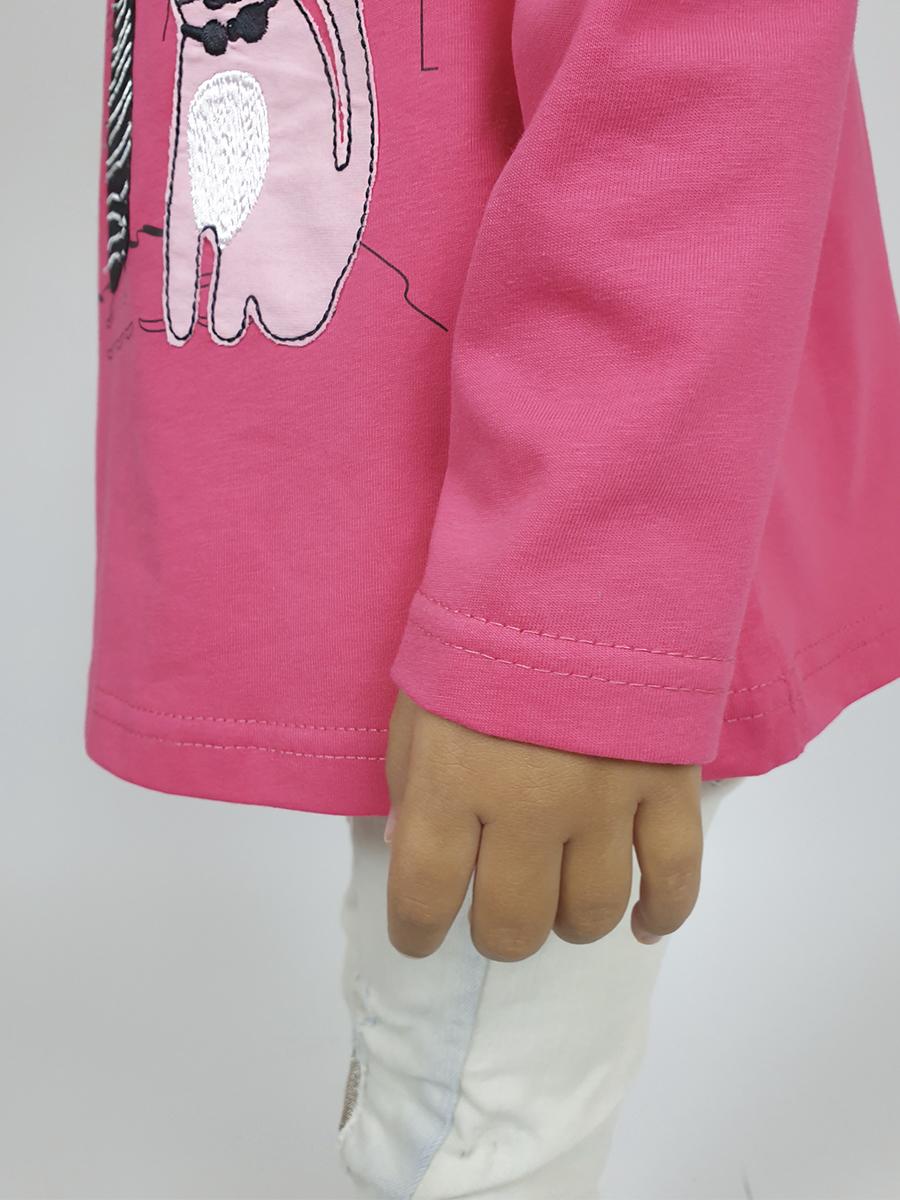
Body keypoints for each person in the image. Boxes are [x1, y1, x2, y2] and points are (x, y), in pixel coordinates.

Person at [87, 1, 900, 1196]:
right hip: (459, 508)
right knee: (434, 1070)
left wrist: (565, 622)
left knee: (464, 1129)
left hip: (563, 515)